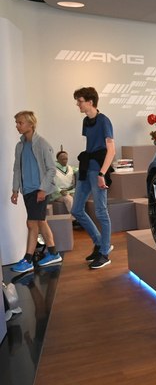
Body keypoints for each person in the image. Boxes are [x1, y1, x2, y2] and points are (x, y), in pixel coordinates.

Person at [10, 111, 63, 272]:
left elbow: (51, 169)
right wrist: (15, 190)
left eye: (20, 123)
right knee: (41, 221)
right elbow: (17, 169)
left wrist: (43, 189)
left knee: (31, 224)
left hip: (39, 190)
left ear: (31, 124)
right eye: (16, 123)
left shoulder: (42, 144)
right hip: (27, 191)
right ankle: (53, 253)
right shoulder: (20, 146)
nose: (17, 126)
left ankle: (27, 260)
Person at [70, 87, 115, 269]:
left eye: (80, 101)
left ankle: (104, 253)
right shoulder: (85, 121)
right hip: (86, 167)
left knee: (101, 211)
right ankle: (99, 242)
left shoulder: (104, 121)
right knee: (76, 209)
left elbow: (111, 150)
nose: (78, 104)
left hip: (98, 169)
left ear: (90, 102)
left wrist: (102, 174)